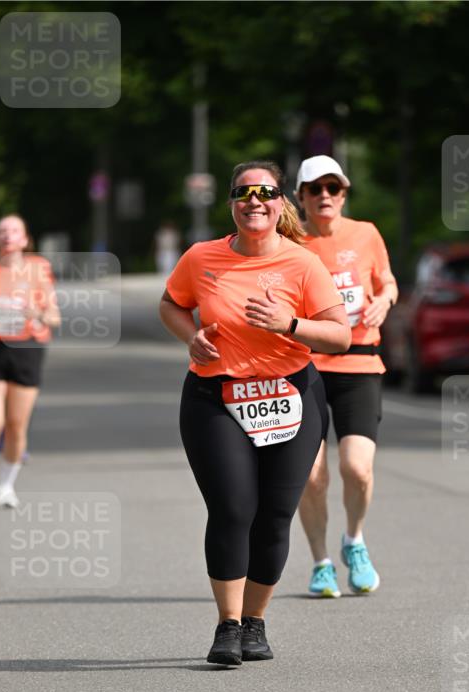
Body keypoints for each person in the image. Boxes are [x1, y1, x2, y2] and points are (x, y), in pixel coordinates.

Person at [159, 161, 350, 666]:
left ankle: (254, 622)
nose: (254, 201)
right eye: (244, 193)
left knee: (274, 516)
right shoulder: (202, 257)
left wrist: (290, 323)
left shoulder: (303, 263)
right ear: (231, 204)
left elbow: (340, 335)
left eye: (265, 192)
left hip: (291, 396)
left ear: (280, 202)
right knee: (232, 508)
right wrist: (190, 337)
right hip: (215, 397)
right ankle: (227, 625)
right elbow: (171, 304)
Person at [295, 155, 398, 597]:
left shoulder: (366, 234)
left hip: (359, 364)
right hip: (306, 367)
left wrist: (384, 301)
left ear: (343, 194)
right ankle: (321, 562)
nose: (325, 196)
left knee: (357, 468)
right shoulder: (290, 243)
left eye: (333, 188)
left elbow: (388, 282)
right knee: (310, 475)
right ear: (300, 197)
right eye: (315, 189)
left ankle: (353, 541)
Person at [0, 215, 59, 509]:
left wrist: (36, 313)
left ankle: (6, 485)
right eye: (2, 231)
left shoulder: (39, 269)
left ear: (25, 239)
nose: (8, 235)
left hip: (26, 349)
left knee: (16, 426)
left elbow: (54, 317)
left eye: (14, 231)